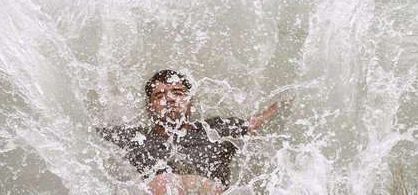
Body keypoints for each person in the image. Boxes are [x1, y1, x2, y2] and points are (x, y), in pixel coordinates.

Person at [98, 70, 293, 194]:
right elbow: (86, 137)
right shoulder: (135, 138)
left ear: (190, 103)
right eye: (159, 95)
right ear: (150, 109)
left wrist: (289, 102)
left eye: (178, 93)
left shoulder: (215, 130)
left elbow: (260, 122)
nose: (170, 99)